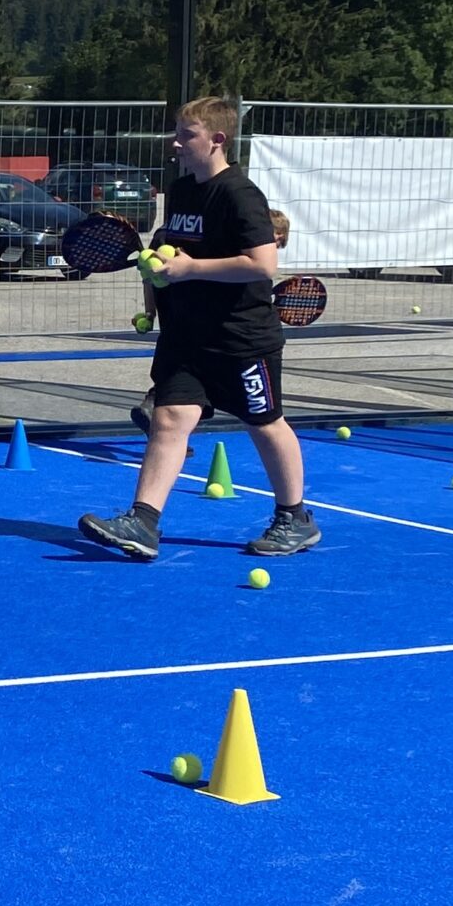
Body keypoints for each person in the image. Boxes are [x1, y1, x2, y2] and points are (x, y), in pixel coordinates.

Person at [82, 97, 319, 562]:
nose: (176, 142)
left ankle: (295, 518)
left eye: (186, 135)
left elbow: (262, 264)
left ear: (217, 140)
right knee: (169, 418)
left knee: (264, 423)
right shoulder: (182, 190)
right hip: (186, 336)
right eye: (176, 133)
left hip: (240, 338)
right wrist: (160, 268)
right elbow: (174, 249)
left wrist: (191, 269)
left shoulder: (239, 195)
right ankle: (143, 522)